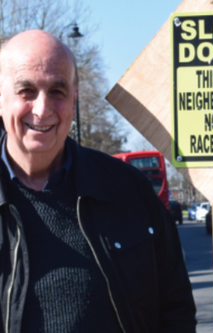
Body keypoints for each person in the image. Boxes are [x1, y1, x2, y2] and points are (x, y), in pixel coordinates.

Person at [0, 30, 196, 332]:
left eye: (58, 91)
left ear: (74, 97)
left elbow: (175, 307)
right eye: (26, 90)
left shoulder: (130, 190)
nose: (42, 109)